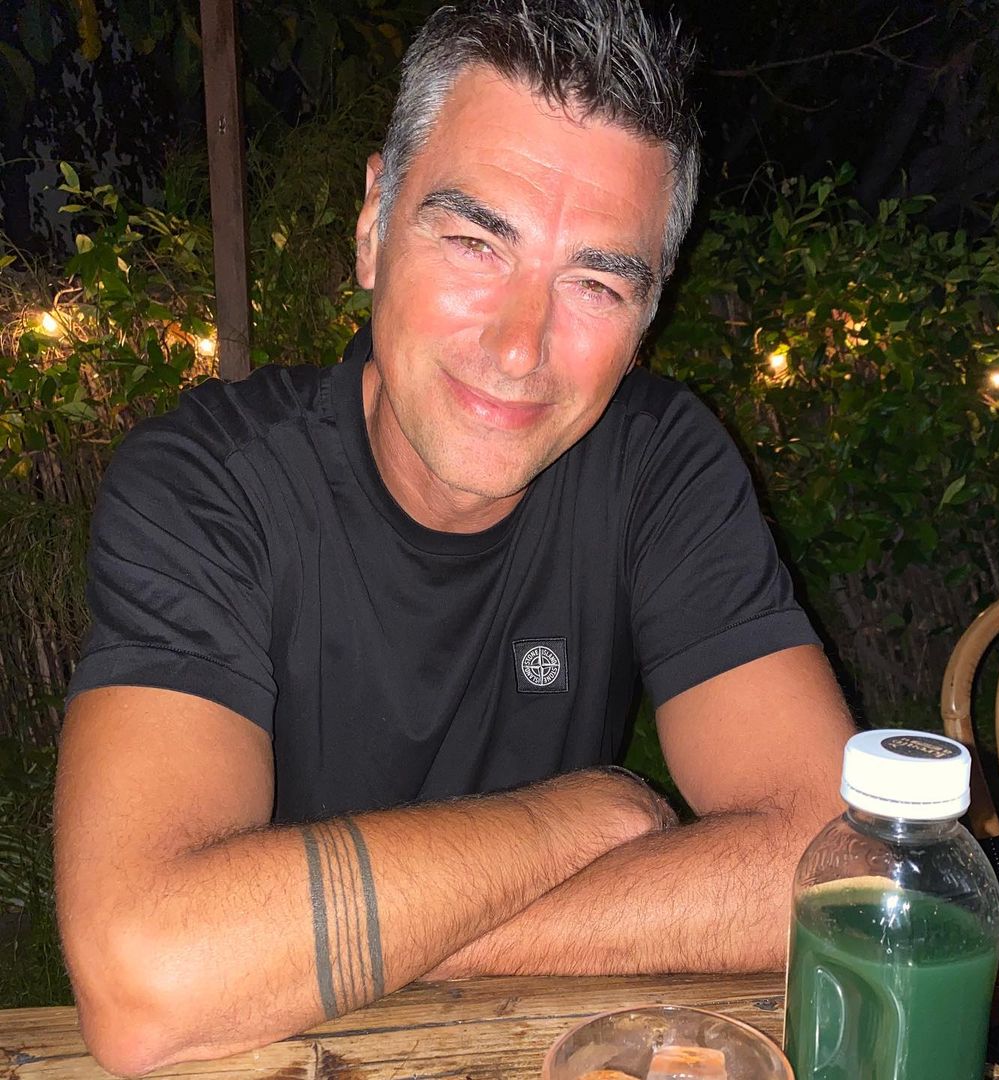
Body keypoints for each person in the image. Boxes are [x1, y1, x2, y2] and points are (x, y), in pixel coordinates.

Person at [54, 0, 854, 1075]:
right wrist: (587, 821)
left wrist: (333, 947)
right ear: (373, 225)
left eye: (595, 283)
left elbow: (838, 867)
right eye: (476, 241)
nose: (521, 347)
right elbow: (147, 979)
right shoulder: (208, 486)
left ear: (648, 317)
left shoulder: (658, 462)